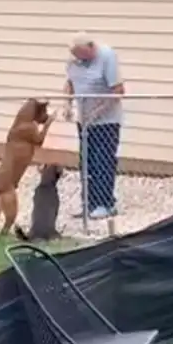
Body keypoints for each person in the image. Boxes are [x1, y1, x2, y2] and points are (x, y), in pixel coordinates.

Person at [63, 32, 125, 220]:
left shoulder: (107, 56)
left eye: (81, 55)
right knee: (86, 162)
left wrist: (95, 113)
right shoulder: (74, 61)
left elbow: (118, 91)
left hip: (106, 122)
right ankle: (88, 203)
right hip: (84, 122)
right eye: (76, 55)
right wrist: (67, 104)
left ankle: (105, 203)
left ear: (91, 47)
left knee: (103, 161)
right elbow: (69, 83)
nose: (78, 59)